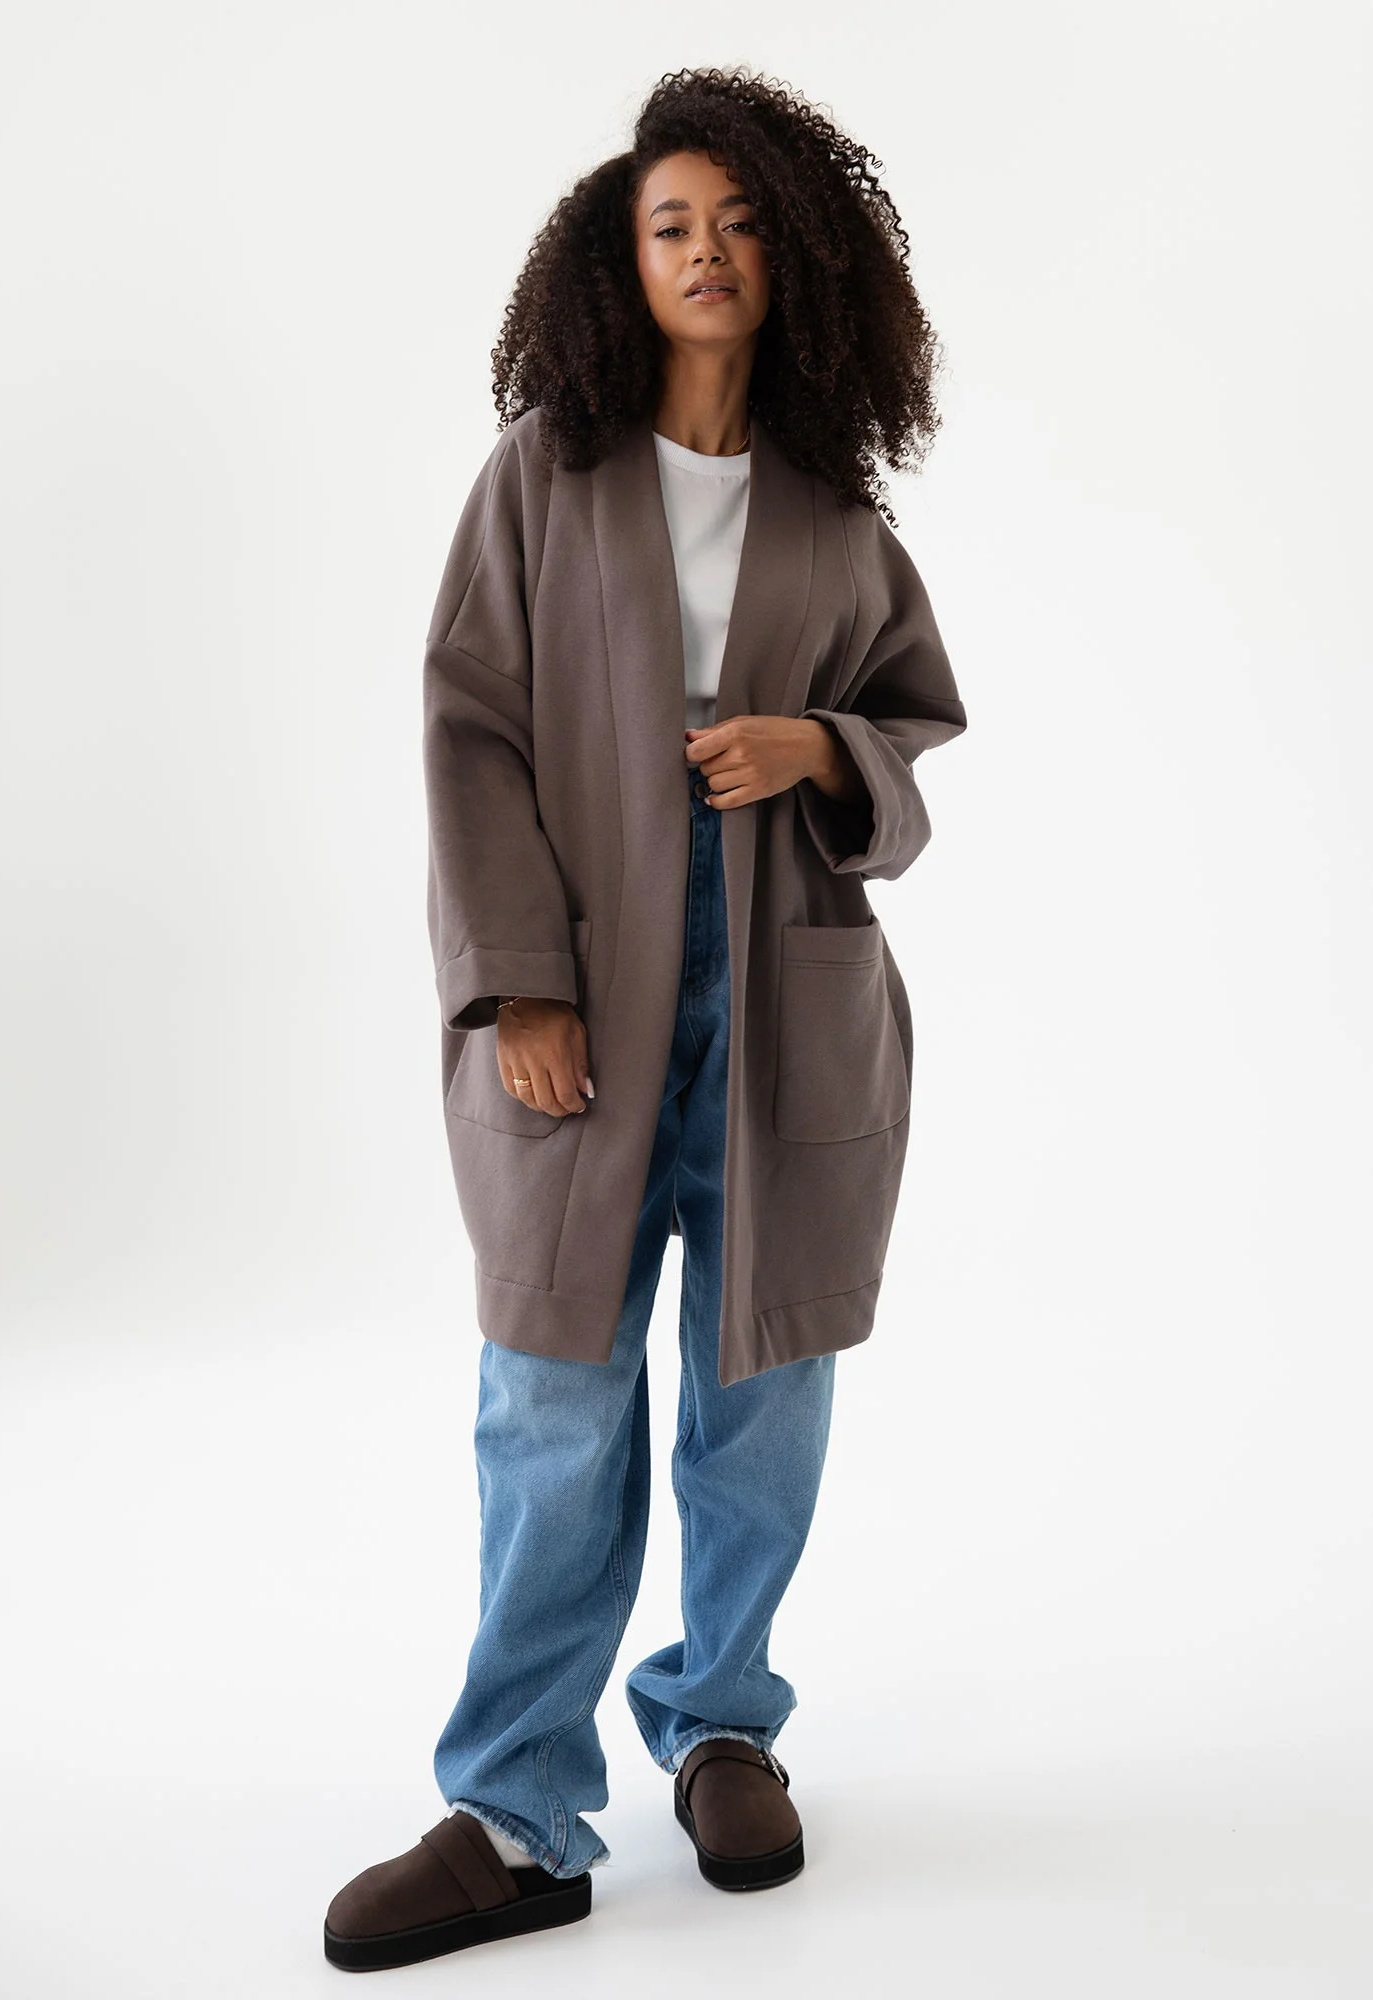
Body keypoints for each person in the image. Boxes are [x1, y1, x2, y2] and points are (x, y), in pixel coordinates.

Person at [324, 65, 967, 1973]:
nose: (707, 251)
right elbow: (469, 727)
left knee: (762, 1390)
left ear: (798, 259)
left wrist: (818, 749)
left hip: (787, 994)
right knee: (552, 1391)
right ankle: (516, 1808)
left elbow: (913, 726)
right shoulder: (545, 471)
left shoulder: (834, 506)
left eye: (742, 222)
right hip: (580, 994)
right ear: (619, 257)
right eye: (671, 222)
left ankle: (721, 1722)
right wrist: (514, 980)